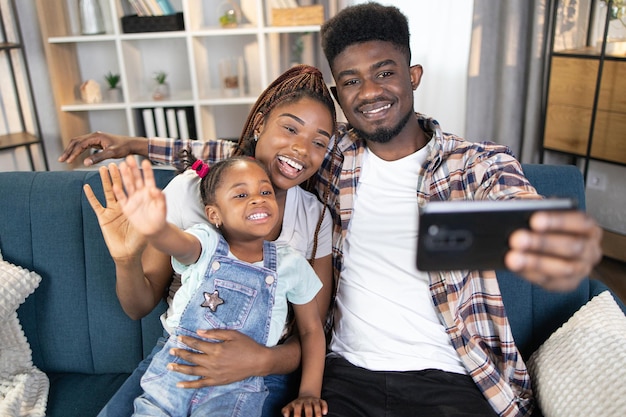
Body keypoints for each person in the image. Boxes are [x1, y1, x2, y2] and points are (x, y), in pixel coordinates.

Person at [60, 3, 603, 416]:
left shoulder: (476, 164)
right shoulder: (334, 156)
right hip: (347, 377)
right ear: (341, 96)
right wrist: (134, 145)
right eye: (351, 81)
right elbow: (236, 154)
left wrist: (445, 234)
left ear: (412, 75)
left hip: (452, 375)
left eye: (385, 72)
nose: (370, 91)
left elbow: (547, 232)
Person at [76, 64, 337, 417]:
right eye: (290, 128)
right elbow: (139, 305)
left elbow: (310, 331)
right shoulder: (189, 191)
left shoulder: (315, 217)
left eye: (319, 142)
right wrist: (126, 259)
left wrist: (261, 360)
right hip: (176, 360)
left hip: (263, 373)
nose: (301, 149)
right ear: (259, 124)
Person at [105, 155, 327, 417]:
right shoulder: (206, 242)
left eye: (265, 191)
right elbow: (180, 245)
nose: (258, 199)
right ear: (214, 214)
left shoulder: (291, 262)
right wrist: (156, 227)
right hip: (174, 372)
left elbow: (312, 330)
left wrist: (309, 392)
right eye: (241, 195)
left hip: (237, 388)